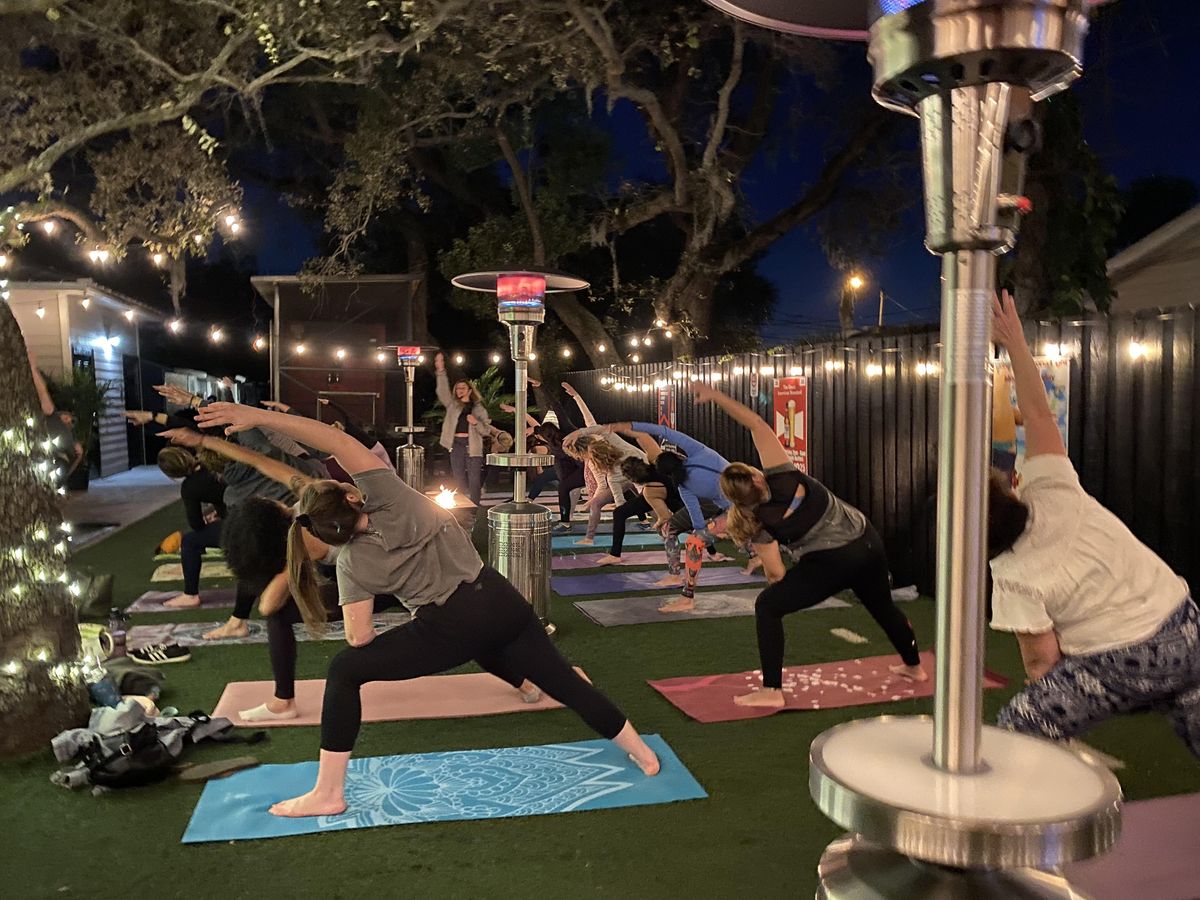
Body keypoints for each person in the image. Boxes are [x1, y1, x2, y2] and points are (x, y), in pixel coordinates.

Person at [194, 400, 661, 818]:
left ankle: (327, 792)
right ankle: (640, 751)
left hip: (449, 627)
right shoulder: (392, 496)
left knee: (344, 669)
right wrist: (257, 417)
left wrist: (404, 624)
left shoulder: (351, 566)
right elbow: (336, 440)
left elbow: (360, 641)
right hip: (500, 599)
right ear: (353, 496)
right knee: (562, 681)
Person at [987, 290, 1199, 755]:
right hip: (1185, 622)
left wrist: (1054, 697)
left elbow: (1043, 664)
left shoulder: (1012, 576)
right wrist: (1016, 344)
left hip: (1126, 658)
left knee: (1020, 728)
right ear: (1006, 488)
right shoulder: (1052, 488)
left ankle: (1042, 818)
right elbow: (1038, 412)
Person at [689, 381, 926, 707]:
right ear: (756, 476)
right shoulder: (784, 474)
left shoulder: (756, 522)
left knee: (767, 606)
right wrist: (716, 396)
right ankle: (914, 668)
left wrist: (795, 589)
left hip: (831, 563)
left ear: (734, 501)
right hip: (868, 542)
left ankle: (772, 691)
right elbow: (755, 424)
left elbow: (776, 576)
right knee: (881, 606)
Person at [588, 419, 730, 612]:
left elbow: (695, 520)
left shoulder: (681, 485)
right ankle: (684, 585)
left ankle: (686, 591)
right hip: (738, 500)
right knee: (687, 536)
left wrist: (708, 532)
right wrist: (622, 427)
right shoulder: (696, 454)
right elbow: (658, 431)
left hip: (735, 505)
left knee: (680, 533)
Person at [151, 444, 227, 610]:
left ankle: (190, 594)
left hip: (240, 524)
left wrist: (211, 519)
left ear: (172, 474)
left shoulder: (190, 486)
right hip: (254, 510)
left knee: (189, 541)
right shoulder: (212, 463)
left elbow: (196, 524)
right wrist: (219, 512)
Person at [434, 352, 491, 505]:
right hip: (456, 445)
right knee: (458, 478)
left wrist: (474, 423)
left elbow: (486, 430)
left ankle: (474, 507)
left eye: (463, 388)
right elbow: (442, 391)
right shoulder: (453, 405)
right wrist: (440, 370)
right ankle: (464, 506)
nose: (459, 390)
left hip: (473, 446)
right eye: (458, 388)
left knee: (474, 480)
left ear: (470, 390)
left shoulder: (478, 408)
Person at [27, 348, 83, 482]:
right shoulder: (52, 416)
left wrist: (79, 455)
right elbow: (43, 394)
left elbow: (43, 393)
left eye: (69, 421)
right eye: (67, 417)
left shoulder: (59, 425)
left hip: (57, 465)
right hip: (54, 462)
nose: (68, 420)